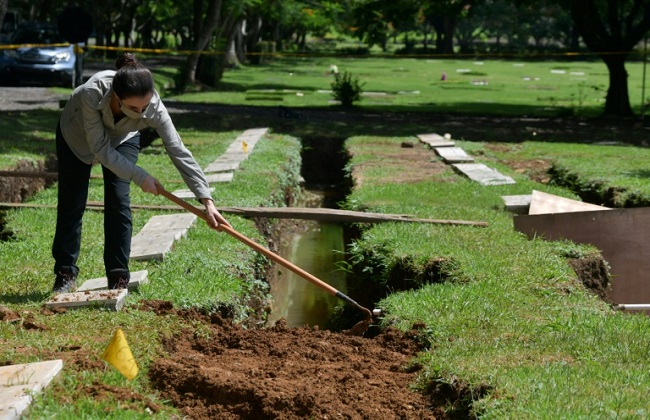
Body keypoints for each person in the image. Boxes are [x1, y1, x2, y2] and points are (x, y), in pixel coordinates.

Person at [51, 52, 230, 293]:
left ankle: (118, 276)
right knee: (72, 202)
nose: (143, 113)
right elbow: (101, 150)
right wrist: (140, 175)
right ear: (117, 97)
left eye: (146, 106)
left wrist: (206, 200)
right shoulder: (91, 93)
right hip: (77, 136)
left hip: (123, 138)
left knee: (119, 198)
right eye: (135, 108)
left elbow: (178, 150)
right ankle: (65, 272)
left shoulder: (153, 107)